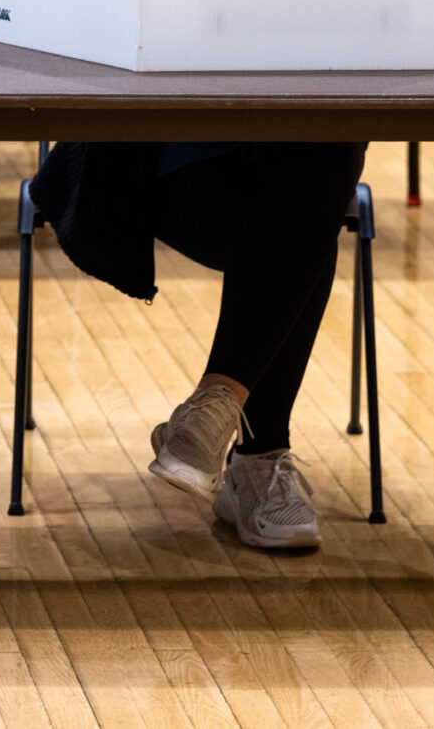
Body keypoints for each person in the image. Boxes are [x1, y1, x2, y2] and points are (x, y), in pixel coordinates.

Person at [27, 139, 366, 549]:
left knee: (321, 163)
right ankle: (254, 452)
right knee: (311, 203)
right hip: (156, 167)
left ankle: (216, 420)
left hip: (296, 173)